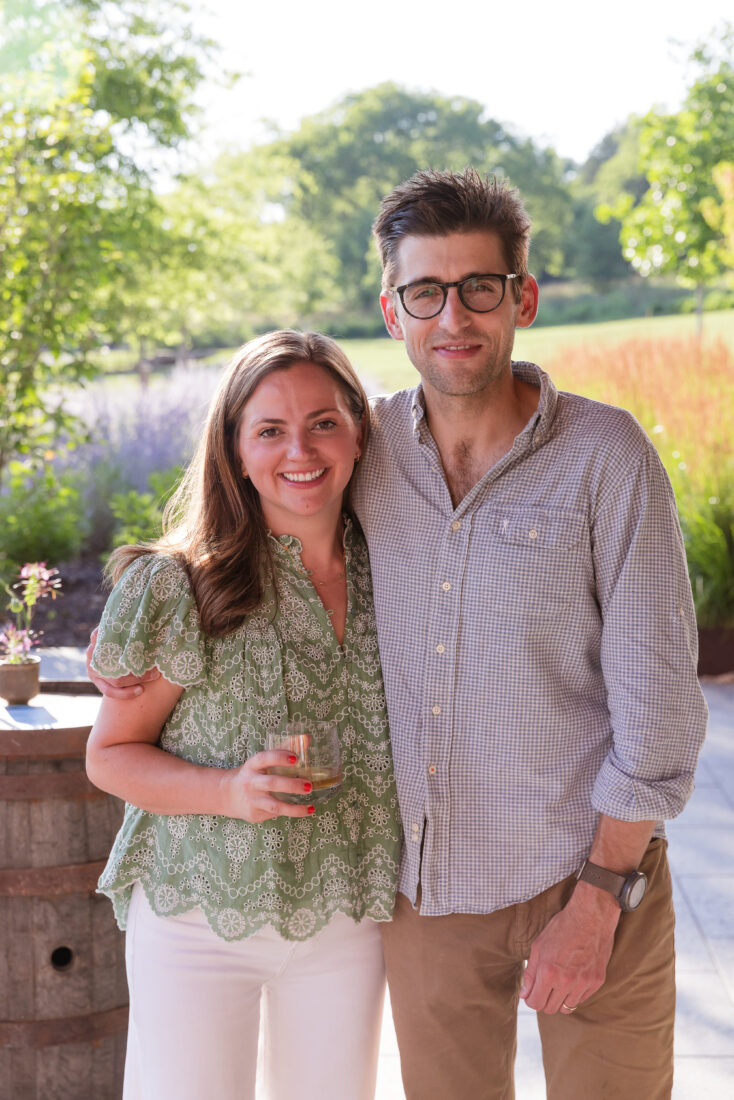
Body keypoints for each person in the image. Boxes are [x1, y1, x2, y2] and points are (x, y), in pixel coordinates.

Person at [90, 169, 709, 1100]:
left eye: (479, 287)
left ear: (523, 299)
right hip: (432, 897)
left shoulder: (605, 457)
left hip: (588, 872)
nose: (452, 316)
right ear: (392, 311)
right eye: (425, 291)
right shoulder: (367, 451)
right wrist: (148, 623)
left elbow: (660, 710)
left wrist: (600, 893)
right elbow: (261, 491)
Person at [85, 330, 401, 1100]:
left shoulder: (401, 569)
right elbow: (110, 756)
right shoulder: (179, 586)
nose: (301, 450)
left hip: (346, 916)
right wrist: (227, 791)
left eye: (324, 422)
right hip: (198, 915)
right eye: (269, 430)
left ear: (359, 431)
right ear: (234, 448)